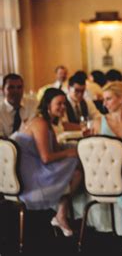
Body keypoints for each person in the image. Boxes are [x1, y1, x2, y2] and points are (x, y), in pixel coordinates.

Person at [74, 81, 122, 247]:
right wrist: (88, 139)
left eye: (108, 99)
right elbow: (91, 154)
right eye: (104, 99)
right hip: (107, 173)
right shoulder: (97, 122)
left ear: (121, 99)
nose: (104, 103)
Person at [11, 88, 82, 237]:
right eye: (59, 104)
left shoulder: (47, 122)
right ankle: (62, 215)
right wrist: (71, 152)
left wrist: (71, 150)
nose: (63, 107)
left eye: (64, 103)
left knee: (76, 169)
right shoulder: (40, 122)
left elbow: (55, 148)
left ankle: (61, 215)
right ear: (48, 105)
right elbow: (46, 157)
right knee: (76, 165)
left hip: (31, 168)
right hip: (29, 175)